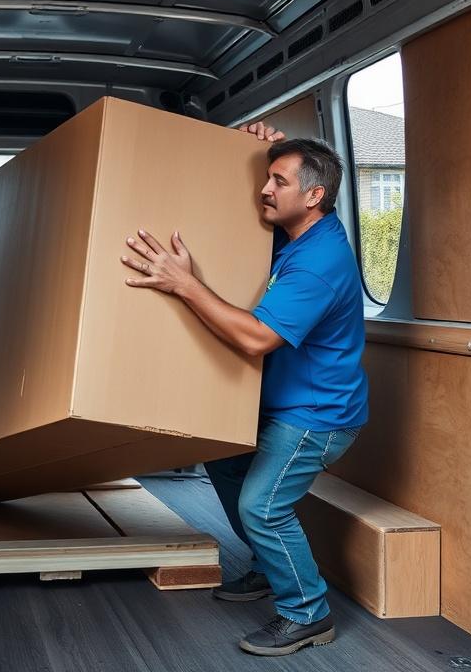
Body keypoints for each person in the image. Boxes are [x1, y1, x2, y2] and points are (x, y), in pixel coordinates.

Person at [121, 120, 368, 657]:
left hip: (317, 415)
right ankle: (264, 564)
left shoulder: (320, 263)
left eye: (278, 181)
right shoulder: (297, 233)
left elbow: (257, 339)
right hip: (282, 401)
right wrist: (251, 143)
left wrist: (183, 282)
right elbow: (236, 216)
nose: (265, 189)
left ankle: (308, 614)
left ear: (315, 195)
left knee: (263, 505)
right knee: (224, 459)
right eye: (267, 178)